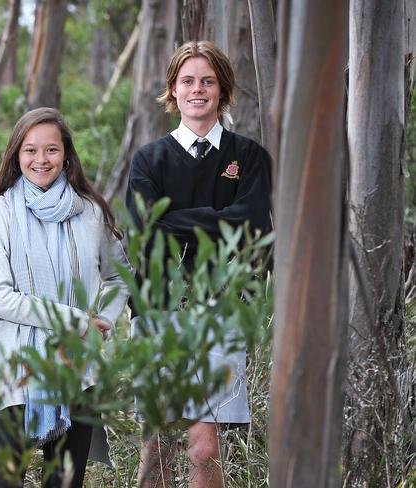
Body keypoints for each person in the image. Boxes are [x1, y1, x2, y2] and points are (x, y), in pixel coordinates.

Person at [126, 41, 272, 488]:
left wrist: (179, 221)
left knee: (204, 447)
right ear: (173, 90)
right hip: (158, 309)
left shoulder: (248, 157)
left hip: (221, 309)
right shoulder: (149, 160)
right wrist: (217, 219)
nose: (197, 89)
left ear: (223, 89)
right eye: (187, 81)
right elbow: (147, 230)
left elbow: (249, 224)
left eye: (207, 81)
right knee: (158, 445)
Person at [0, 107, 131, 487]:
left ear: (66, 155)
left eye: (51, 150)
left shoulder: (90, 213)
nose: (40, 160)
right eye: (30, 150)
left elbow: (119, 277)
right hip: (16, 373)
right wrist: (75, 320)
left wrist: (104, 324)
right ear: (16, 155)